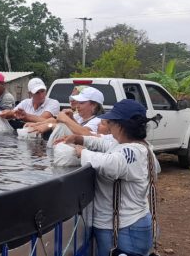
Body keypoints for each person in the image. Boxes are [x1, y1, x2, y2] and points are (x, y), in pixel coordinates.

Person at [56, 99, 159, 256]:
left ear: (121, 125)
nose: (108, 126)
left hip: (126, 228)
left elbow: (110, 164)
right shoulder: (125, 143)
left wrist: (82, 152)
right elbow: (101, 142)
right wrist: (78, 139)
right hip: (124, 225)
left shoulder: (134, 152)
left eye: (111, 122)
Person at [26, 86, 104, 135]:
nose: (77, 106)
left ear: (94, 105)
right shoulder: (79, 116)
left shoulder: (98, 121)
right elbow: (54, 120)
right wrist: (37, 124)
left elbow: (83, 132)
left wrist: (50, 125)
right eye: (78, 102)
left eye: (82, 103)